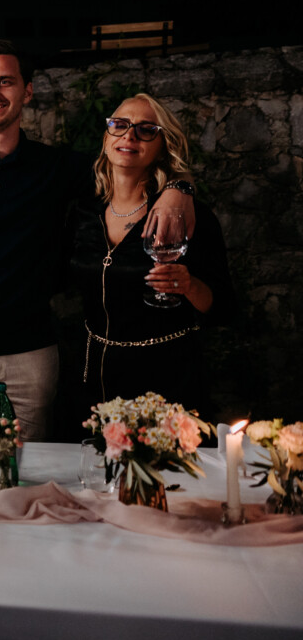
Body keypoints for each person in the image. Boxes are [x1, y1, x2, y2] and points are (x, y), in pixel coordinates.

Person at [0, 40, 195, 440]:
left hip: (29, 356)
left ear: (27, 91)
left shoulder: (61, 167)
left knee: (24, 476)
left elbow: (133, 171)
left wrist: (179, 188)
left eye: (5, 82)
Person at [68, 94, 233, 414]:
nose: (129, 135)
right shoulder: (82, 212)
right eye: (119, 125)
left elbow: (223, 307)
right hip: (95, 376)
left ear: (162, 145)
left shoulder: (189, 214)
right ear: (106, 137)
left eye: (146, 130)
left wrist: (188, 286)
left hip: (168, 377)